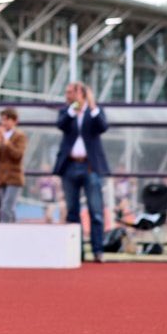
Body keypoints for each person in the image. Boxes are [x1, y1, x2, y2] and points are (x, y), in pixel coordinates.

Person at [54, 81, 110, 263]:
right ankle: (76, 251)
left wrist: (91, 105)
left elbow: (102, 126)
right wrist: (73, 110)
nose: (67, 95)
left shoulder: (94, 112)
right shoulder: (66, 112)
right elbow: (61, 125)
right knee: (72, 211)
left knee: (96, 211)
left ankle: (98, 249)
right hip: (70, 166)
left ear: (82, 94)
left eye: (71, 92)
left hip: (90, 166)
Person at [0, 107, 27, 223]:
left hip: (14, 178)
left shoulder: (19, 136)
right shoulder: (1, 138)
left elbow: (17, 155)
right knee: (9, 209)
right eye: (2, 120)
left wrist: (6, 141)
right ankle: (14, 234)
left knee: (6, 208)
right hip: (2, 178)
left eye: (6, 120)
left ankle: (4, 234)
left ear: (14, 121)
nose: (3, 123)